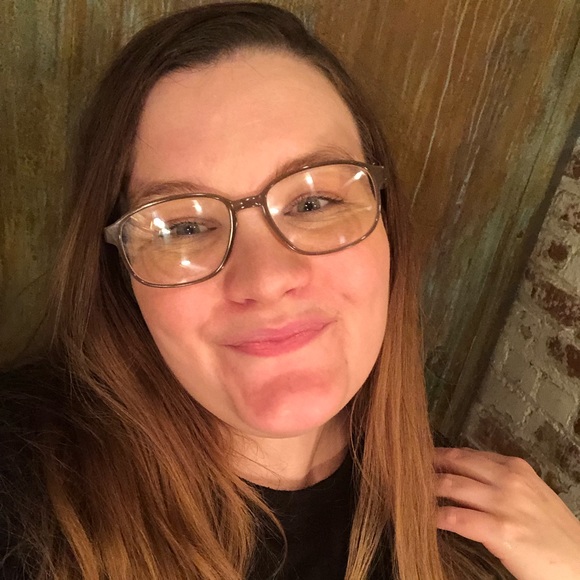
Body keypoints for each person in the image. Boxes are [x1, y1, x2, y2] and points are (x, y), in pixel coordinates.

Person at [1, 2, 579, 579]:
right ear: (120, 274)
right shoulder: (24, 486)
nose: (267, 278)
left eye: (313, 202)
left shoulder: (476, 531)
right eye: (184, 227)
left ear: (387, 224)